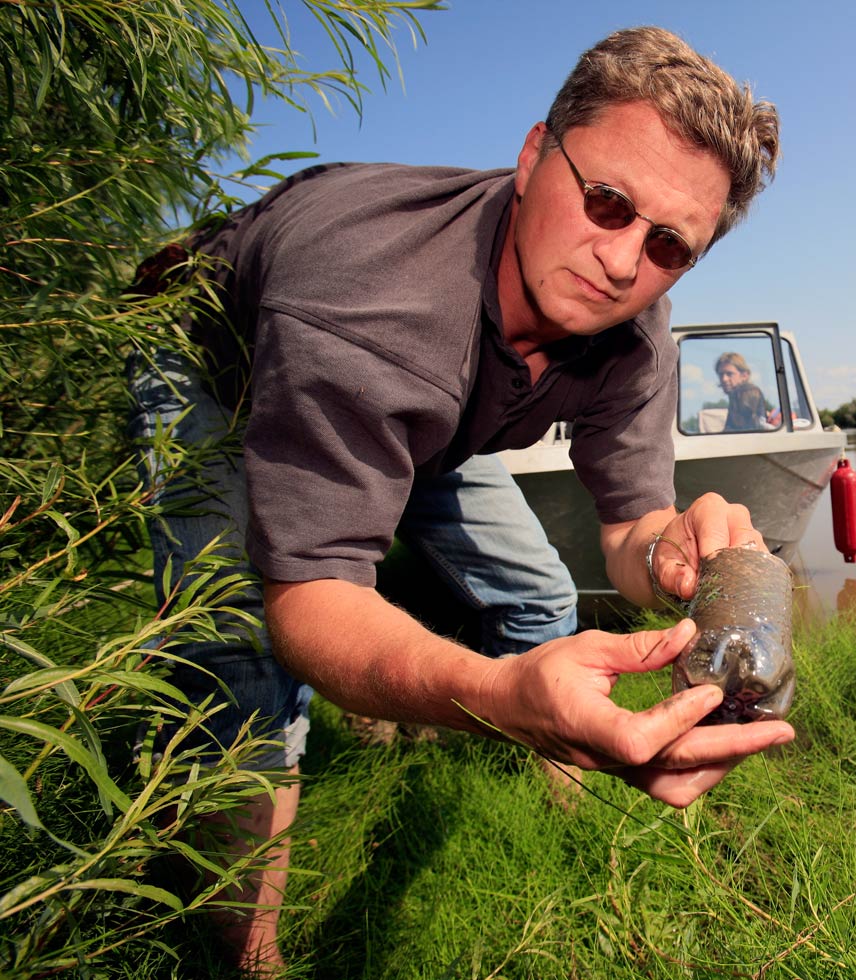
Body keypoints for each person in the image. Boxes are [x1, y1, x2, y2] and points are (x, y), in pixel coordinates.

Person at [128, 26, 790, 975]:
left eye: (667, 245)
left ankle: (567, 804)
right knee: (244, 659)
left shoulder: (636, 331)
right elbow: (307, 603)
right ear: (533, 156)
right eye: (606, 201)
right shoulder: (369, 300)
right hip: (211, 366)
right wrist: (492, 694)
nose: (620, 261)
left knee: (540, 600)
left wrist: (672, 550)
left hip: (434, 408)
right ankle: (245, 961)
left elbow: (627, 528)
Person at [715, 351, 768, 431]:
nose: (724, 379)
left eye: (729, 374)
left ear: (744, 375)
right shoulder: (735, 395)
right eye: (721, 374)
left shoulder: (748, 393)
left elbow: (746, 429)